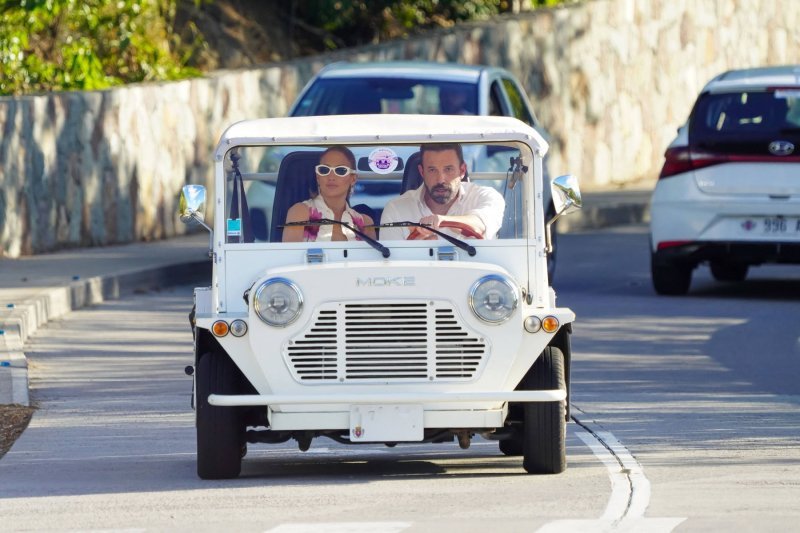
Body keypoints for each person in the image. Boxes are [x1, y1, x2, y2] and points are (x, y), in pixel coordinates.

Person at [380, 143, 505, 240]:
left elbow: (479, 225)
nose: (440, 180)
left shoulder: (487, 196)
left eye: (448, 169)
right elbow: (392, 264)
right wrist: (414, 247)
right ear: (422, 172)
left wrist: (443, 221)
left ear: (462, 170)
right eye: (432, 170)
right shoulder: (396, 209)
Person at [282, 146, 377, 242]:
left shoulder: (365, 223)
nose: (331, 177)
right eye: (324, 170)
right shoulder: (300, 212)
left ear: (353, 179)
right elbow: (289, 256)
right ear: (318, 177)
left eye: (340, 170)